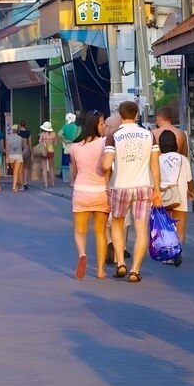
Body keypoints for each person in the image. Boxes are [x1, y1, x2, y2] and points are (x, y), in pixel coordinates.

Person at [102, 100, 162, 283]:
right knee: (141, 229)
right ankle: (135, 270)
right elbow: (155, 165)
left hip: (120, 186)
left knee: (117, 225)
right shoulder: (148, 135)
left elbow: (106, 165)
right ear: (136, 115)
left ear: (120, 115)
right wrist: (157, 190)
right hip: (144, 186)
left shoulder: (114, 135)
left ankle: (120, 262)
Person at [71, 110, 110, 280]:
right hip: (101, 192)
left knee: (80, 230)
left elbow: (75, 172)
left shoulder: (74, 147)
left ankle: (81, 254)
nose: (104, 126)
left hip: (81, 192)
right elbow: (108, 168)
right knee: (100, 233)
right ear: (95, 125)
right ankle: (100, 270)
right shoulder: (104, 143)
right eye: (102, 123)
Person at [158, 129, 194, 264]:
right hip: (180, 196)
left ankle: (167, 255)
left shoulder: (157, 159)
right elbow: (189, 179)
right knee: (180, 226)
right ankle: (177, 250)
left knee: (165, 226)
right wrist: (192, 192)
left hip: (163, 196)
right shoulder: (182, 159)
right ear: (175, 143)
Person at [60, 112, 81, 184]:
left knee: (71, 164)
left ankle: (72, 182)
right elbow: (80, 137)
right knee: (77, 164)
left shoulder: (65, 127)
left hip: (69, 146)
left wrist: (65, 140)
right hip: (77, 146)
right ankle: (77, 181)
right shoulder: (78, 128)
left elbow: (59, 134)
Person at [38, 121, 58, 188]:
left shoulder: (42, 134)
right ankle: (53, 183)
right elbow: (55, 143)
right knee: (51, 167)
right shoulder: (54, 134)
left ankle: (46, 184)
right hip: (51, 150)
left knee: (44, 167)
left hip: (44, 151)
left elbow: (40, 142)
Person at [7, 125, 26, 192]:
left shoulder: (9, 138)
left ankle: (16, 185)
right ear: (18, 130)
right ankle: (14, 186)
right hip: (18, 155)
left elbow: (8, 148)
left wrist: (7, 158)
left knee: (14, 170)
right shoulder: (21, 138)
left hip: (11, 155)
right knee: (16, 171)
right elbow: (23, 146)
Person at [18, 119, 32, 188]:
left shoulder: (18, 133)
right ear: (25, 125)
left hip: (19, 149)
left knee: (20, 167)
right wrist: (31, 153)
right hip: (26, 149)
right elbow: (30, 143)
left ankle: (21, 182)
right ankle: (25, 182)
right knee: (26, 167)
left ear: (20, 125)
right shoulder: (28, 132)